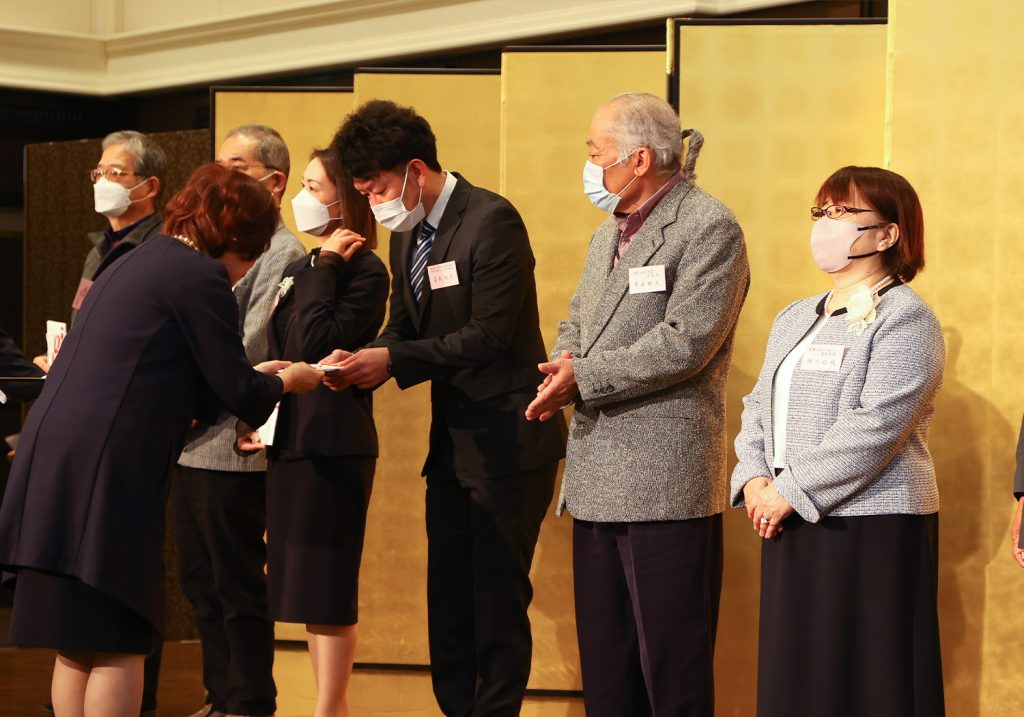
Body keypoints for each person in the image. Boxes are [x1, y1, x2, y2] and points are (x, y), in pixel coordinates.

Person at [0, 164, 323, 717]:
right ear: (237, 235)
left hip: (56, 460)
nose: (247, 268)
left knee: (77, 638)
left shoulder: (135, 260)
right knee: (122, 636)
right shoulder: (199, 276)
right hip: (108, 469)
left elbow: (183, 379)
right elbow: (236, 390)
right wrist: (288, 379)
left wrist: (251, 379)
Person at [322, 100, 566, 716]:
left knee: (496, 601)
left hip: (510, 441)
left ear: (415, 170)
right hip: (453, 447)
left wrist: (393, 360)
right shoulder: (408, 235)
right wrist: (364, 357)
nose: (375, 203)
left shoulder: (491, 219)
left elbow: (488, 336)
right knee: (449, 602)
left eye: (378, 189)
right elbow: (403, 326)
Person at [526, 92, 749, 715]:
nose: (589, 164)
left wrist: (584, 377)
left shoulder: (709, 227)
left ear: (640, 159)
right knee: (608, 667)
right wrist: (565, 361)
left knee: (673, 670)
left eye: (596, 152)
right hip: (596, 476)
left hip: (665, 481)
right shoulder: (608, 233)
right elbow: (577, 319)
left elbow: (687, 342)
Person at [731, 166, 945, 716]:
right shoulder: (795, 315)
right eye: (822, 212)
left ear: (888, 233)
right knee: (799, 674)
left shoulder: (907, 317)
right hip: (787, 514)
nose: (827, 223)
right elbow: (757, 404)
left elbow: (877, 426)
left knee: (865, 678)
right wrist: (754, 479)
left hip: (870, 521)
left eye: (844, 212)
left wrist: (788, 491)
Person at [237, 147, 388, 717]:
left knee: (328, 585)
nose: (301, 197)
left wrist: (326, 267)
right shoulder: (302, 266)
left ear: (344, 200)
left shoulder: (364, 270)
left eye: (313, 186)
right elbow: (281, 354)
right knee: (302, 586)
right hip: (291, 440)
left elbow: (315, 345)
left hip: (333, 444)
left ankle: (329, 708)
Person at [32, 129, 167, 717]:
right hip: (79, 428)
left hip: (128, 435)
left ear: (149, 185)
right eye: (98, 173)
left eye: (116, 173)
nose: (102, 183)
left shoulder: (160, 250)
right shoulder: (98, 250)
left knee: (118, 609)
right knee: (77, 609)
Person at [173, 125, 306, 717]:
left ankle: (249, 700)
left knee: (237, 584)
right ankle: (219, 693)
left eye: (237, 166)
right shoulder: (214, 243)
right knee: (199, 581)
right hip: (190, 439)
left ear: (274, 182)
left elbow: (250, 342)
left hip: (236, 439)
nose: (222, 177)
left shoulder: (283, 252)